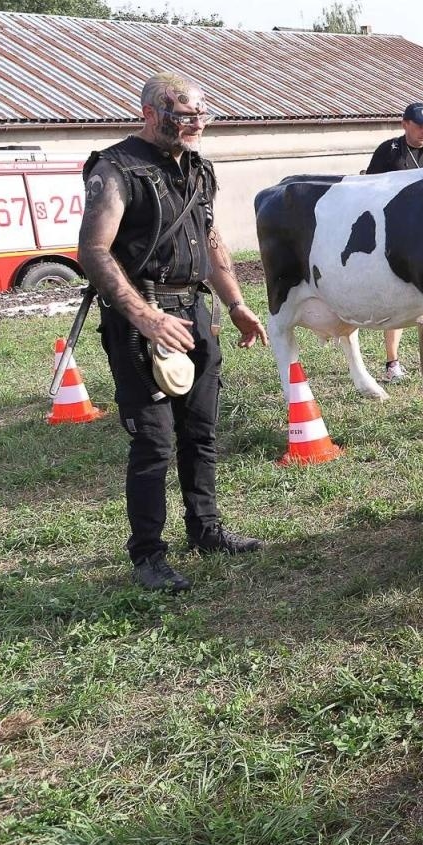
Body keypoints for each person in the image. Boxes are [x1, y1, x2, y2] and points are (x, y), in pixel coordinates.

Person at [78, 72, 269, 592]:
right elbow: (93, 250)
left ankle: (206, 530)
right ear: (149, 114)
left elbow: (210, 238)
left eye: (199, 116)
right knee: (154, 444)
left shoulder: (200, 170)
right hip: (143, 321)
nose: (193, 124)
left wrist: (235, 303)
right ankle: (148, 555)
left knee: (201, 431)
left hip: (196, 312)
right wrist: (146, 317)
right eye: (181, 116)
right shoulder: (115, 168)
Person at [364, 102, 423, 382]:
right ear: (405, 124)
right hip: (396, 234)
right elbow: (371, 190)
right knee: (397, 296)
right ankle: (392, 363)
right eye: (419, 125)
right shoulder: (388, 152)